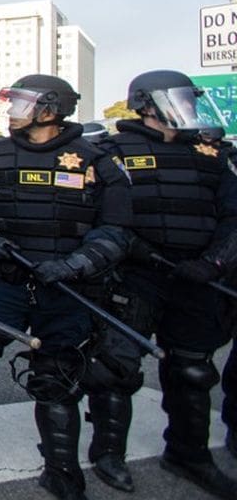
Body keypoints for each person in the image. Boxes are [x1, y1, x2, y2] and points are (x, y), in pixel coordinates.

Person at [0, 74, 131, 500]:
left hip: (66, 290)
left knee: (58, 379)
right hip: (3, 283)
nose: (11, 112)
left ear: (48, 109)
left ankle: (61, 469)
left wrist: (73, 265)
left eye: (19, 104)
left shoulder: (95, 162)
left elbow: (117, 229)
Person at [86, 70, 237, 497]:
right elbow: (92, 215)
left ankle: (189, 454)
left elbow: (233, 217)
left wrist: (214, 262)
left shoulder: (210, 157)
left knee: (192, 370)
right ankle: (107, 452)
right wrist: (123, 246)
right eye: (179, 99)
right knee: (115, 367)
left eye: (190, 100)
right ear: (147, 105)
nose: (188, 107)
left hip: (197, 279)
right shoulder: (112, 152)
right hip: (134, 276)